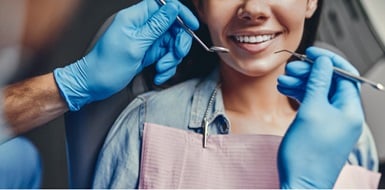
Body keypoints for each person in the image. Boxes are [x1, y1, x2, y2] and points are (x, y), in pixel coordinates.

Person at [92, 0, 380, 189]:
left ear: (310, 1)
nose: (253, 9)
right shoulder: (147, 124)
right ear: (200, 6)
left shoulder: (351, 135)